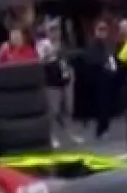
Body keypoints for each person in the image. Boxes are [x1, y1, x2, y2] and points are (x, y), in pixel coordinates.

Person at [36, 19, 81, 147]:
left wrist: (70, 74)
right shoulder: (43, 45)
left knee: (68, 109)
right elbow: (40, 61)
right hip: (52, 82)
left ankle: (70, 133)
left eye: (56, 30)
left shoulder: (62, 43)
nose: (55, 33)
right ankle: (52, 136)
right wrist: (51, 53)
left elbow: (66, 59)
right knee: (53, 111)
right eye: (52, 30)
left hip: (65, 79)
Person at [81, 20, 121, 138]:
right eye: (100, 29)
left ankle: (105, 127)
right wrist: (105, 64)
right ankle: (101, 129)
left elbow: (111, 57)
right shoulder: (93, 45)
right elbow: (92, 61)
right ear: (95, 31)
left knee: (106, 105)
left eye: (104, 30)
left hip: (107, 79)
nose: (103, 32)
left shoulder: (107, 45)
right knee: (102, 105)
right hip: (98, 81)